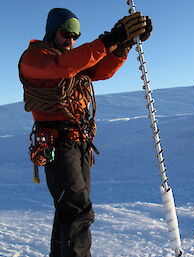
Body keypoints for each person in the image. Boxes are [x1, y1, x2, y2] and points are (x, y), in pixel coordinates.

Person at [18, 8, 152, 257]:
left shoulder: (71, 60)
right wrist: (110, 39)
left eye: (75, 36)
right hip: (56, 143)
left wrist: (122, 46)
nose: (70, 41)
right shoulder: (35, 58)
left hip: (79, 141)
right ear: (52, 32)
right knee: (77, 208)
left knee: (68, 209)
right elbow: (64, 66)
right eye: (66, 34)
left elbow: (99, 71)